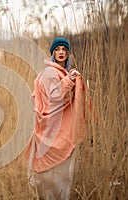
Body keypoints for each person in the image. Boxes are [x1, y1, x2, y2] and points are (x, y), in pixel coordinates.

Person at [26, 37, 89, 199]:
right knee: (54, 170)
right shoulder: (50, 72)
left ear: (68, 53)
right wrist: (69, 80)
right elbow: (55, 97)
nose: (61, 52)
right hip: (52, 128)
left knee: (61, 169)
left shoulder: (63, 73)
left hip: (61, 127)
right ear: (53, 52)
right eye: (57, 49)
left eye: (64, 49)